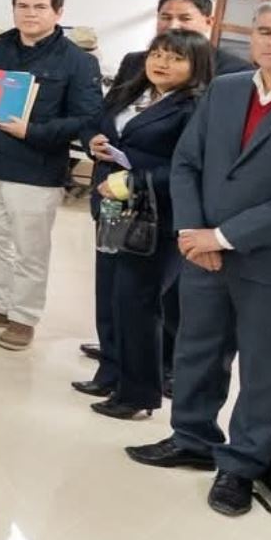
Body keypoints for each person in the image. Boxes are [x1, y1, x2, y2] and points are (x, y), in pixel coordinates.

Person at [129, 0, 271, 516]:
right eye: (264, 31)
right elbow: (187, 161)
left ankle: (240, 465)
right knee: (197, 352)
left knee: (264, 373)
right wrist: (193, 232)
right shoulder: (227, 90)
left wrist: (223, 237)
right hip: (204, 254)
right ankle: (191, 438)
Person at [0, 0, 104, 351]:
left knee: (29, 249)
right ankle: (2, 304)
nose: (30, 13)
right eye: (22, 6)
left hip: (35, 169)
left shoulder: (78, 61)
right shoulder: (0, 49)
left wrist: (32, 130)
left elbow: (86, 119)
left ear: (58, 12)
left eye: (40, 7)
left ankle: (23, 317)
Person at [77, 30, 212, 420]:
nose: (161, 63)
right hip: (112, 206)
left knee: (139, 300)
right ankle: (111, 372)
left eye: (175, 58)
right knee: (111, 293)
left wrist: (135, 180)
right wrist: (94, 141)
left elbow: (191, 168)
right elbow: (94, 121)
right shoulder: (132, 89)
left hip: (156, 212)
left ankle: (138, 393)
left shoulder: (196, 107)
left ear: (196, 66)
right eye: (158, 54)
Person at [110, 0, 253, 85]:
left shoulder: (234, 72)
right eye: (165, 17)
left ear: (208, 22)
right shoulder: (134, 62)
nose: (173, 26)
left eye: (185, 19)